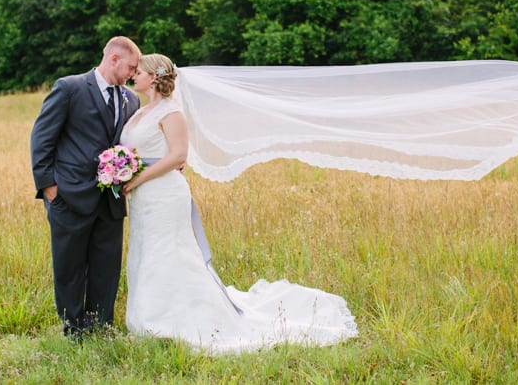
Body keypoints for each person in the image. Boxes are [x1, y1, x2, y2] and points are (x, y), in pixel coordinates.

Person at [120, 53, 358, 353]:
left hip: (165, 195)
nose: (133, 75)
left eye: (138, 71)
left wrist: (138, 179)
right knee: (145, 252)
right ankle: (146, 317)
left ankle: (176, 320)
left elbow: (178, 156)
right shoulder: (141, 112)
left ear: (153, 77)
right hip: (143, 198)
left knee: (169, 253)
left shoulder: (170, 112)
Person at [30, 36, 142, 337]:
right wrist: (49, 188)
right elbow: (42, 139)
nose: (133, 74)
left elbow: (133, 143)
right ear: (114, 59)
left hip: (111, 199)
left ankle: (101, 324)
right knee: (70, 266)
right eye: (131, 67)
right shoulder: (70, 88)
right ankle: (74, 326)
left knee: (107, 265)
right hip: (69, 195)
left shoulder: (132, 100)